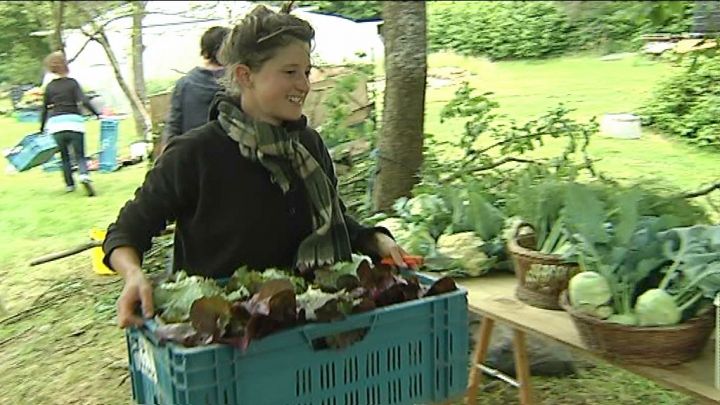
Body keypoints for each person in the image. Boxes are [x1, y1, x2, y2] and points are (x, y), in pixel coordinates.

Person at [104, 5, 409, 328]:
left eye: (306, 72)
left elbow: (328, 217)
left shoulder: (308, 146)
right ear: (244, 76)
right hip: (225, 341)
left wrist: (374, 239)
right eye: (290, 72)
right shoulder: (195, 154)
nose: (304, 85)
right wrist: (134, 274)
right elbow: (126, 232)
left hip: (304, 329)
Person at [40, 51, 101, 196]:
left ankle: (69, 185)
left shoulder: (49, 87)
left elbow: (44, 108)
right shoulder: (72, 83)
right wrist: (97, 114)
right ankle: (84, 175)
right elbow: (84, 101)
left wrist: (42, 127)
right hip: (74, 122)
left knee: (64, 156)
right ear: (65, 65)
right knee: (80, 154)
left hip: (57, 124)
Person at [160, 26, 230, 150]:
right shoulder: (240, 82)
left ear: (204, 50)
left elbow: (173, 128)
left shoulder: (184, 84)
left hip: (193, 157)